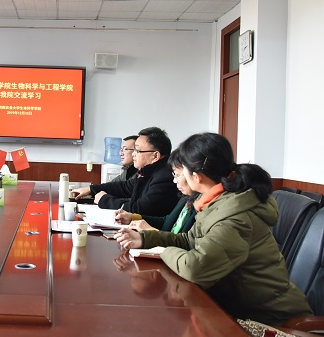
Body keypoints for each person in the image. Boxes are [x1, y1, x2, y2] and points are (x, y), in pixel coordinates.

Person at [114, 132, 312, 325]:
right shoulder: (217, 202)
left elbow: (195, 268)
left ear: (196, 176)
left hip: (270, 320)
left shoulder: (235, 216)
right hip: (235, 307)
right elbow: (189, 240)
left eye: (182, 169)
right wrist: (145, 239)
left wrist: (162, 251)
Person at [71, 126, 179, 216]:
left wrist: (104, 200)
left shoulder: (164, 177)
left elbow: (139, 209)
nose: (133, 154)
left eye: (137, 150)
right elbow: (124, 187)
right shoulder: (150, 171)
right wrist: (91, 189)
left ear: (155, 156)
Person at [115, 149, 198, 234]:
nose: (174, 181)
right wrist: (132, 218)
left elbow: (183, 241)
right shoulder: (186, 197)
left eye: (177, 175)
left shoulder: (201, 208)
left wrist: (150, 231)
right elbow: (166, 222)